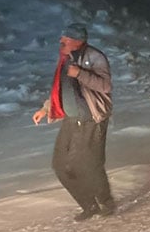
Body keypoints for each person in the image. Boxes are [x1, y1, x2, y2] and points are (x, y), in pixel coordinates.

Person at [32, 23, 116, 221]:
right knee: (60, 165)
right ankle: (89, 204)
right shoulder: (65, 59)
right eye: (62, 38)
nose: (61, 41)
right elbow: (61, 88)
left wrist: (80, 73)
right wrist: (46, 108)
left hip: (90, 118)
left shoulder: (94, 57)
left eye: (66, 39)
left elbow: (105, 85)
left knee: (88, 163)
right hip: (71, 118)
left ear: (78, 41)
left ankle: (105, 201)